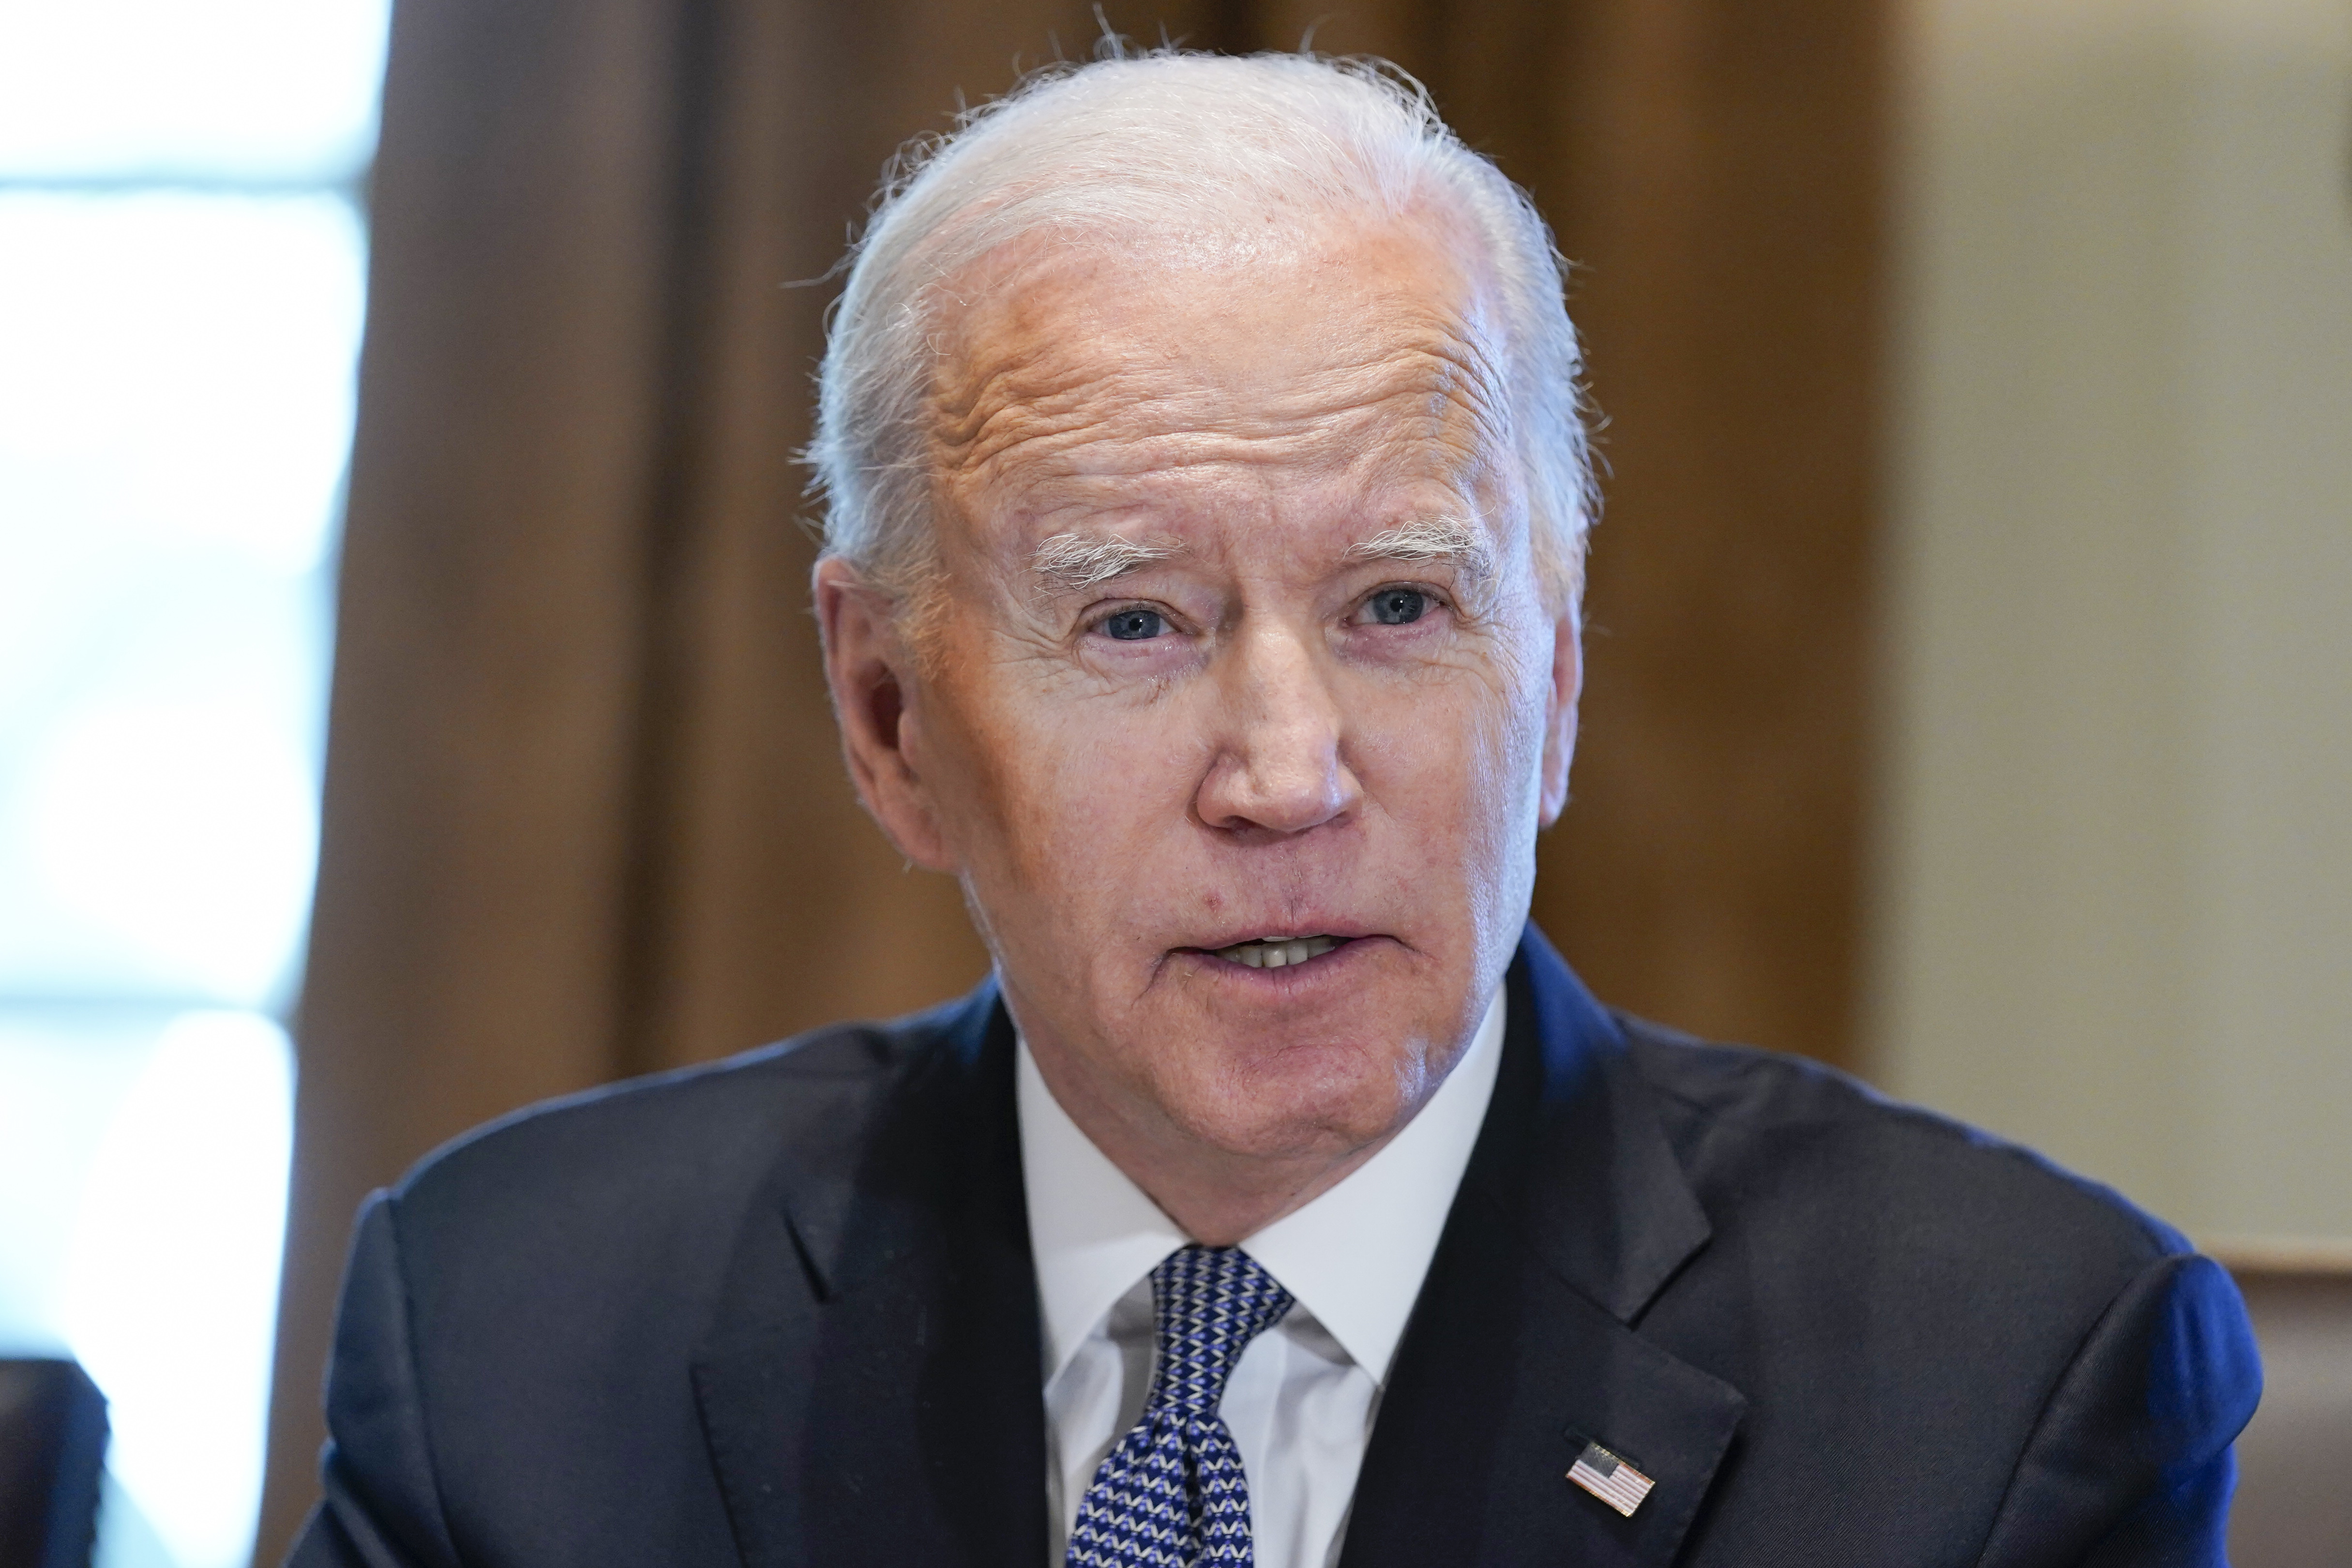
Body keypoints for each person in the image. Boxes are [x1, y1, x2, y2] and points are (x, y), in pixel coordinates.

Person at [287, 48, 2259, 1568]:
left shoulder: (2003, 1377)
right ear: (887, 715)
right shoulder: (513, 1334)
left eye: (1400, 606)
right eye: (1136, 621)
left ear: (1555, 675)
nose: (1290, 773)